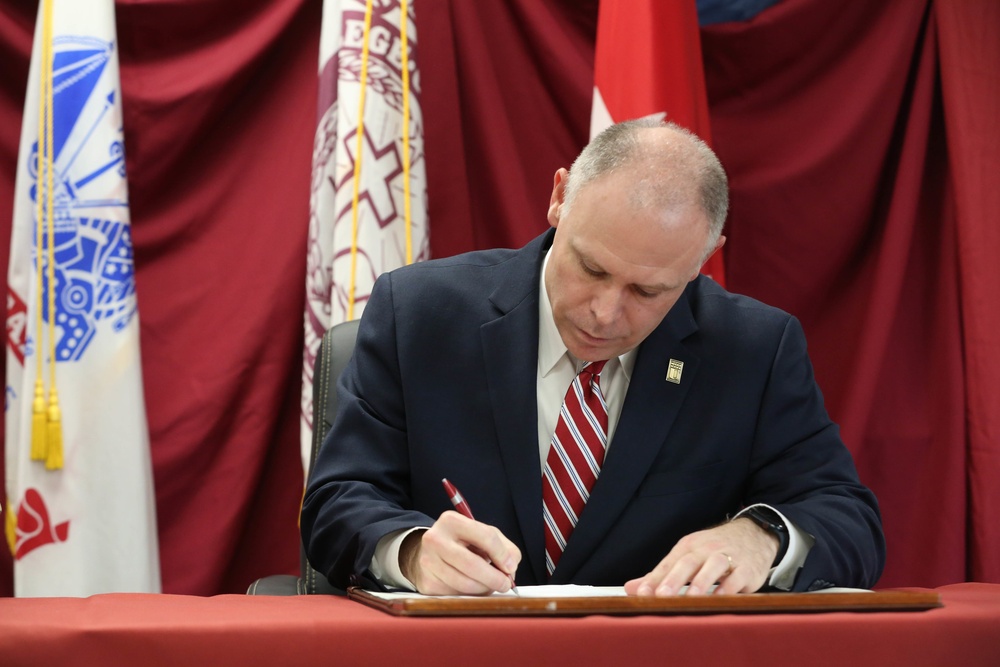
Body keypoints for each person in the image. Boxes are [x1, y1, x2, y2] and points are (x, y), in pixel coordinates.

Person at [301, 118, 885, 596]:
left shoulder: (753, 349)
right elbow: (338, 500)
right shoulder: (419, 313)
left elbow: (848, 520)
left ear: (704, 259)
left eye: (648, 291)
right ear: (559, 198)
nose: (604, 313)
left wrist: (761, 538)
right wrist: (410, 552)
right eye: (592, 268)